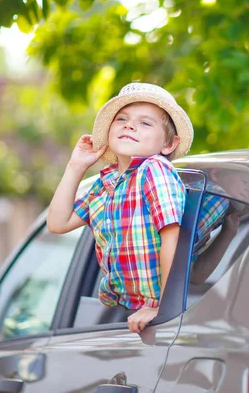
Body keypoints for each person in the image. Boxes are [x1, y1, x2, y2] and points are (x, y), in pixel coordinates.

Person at [47, 82, 194, 333]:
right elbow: (58, 223)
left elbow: (172, 236)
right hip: (127, 312)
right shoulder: (107, 184)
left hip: (157, 311)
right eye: (122, 118)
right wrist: (76, 166)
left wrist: (163, 306)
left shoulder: (154, 170)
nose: (130, 125)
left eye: (145, 123)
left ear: (168, 144)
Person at [188, 166, 249, 285]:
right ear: (216, 174)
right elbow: (183, 243)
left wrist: (228, 232)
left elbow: (194, 275)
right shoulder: (219, 197)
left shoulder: (196, 189)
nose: (248, 190)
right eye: (244, 181)